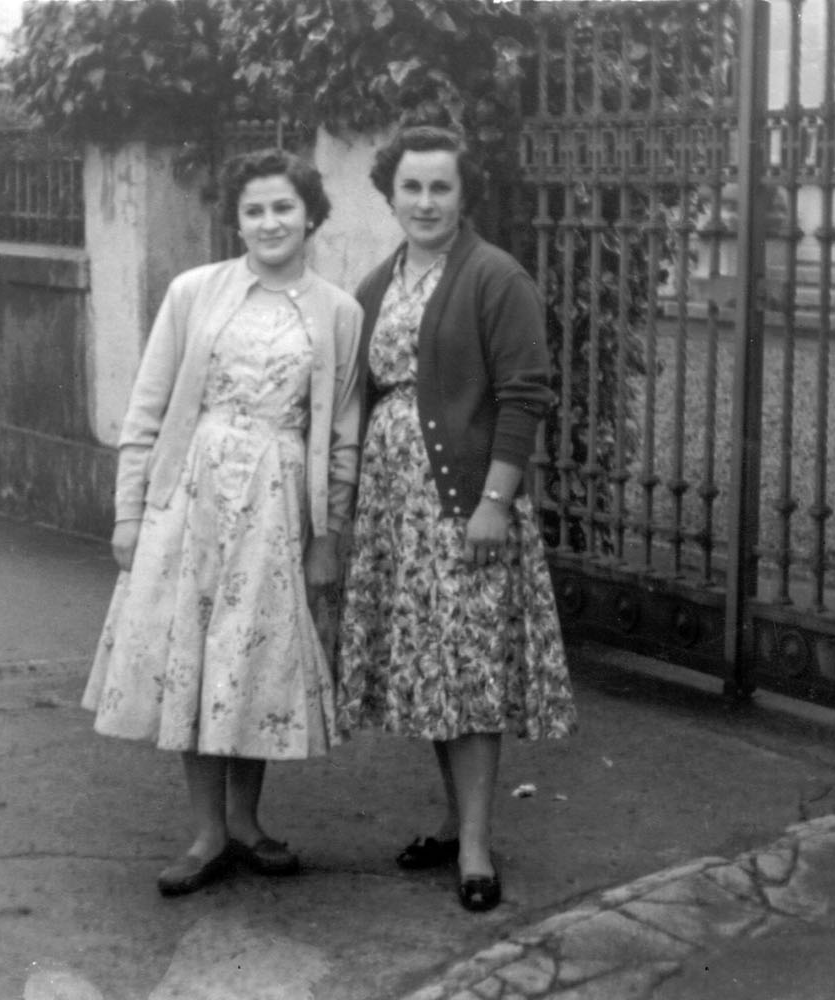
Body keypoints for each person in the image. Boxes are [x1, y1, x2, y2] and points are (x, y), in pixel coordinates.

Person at [82, 149, 363, 897]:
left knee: (253, 656)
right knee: (195, 653)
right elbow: (147, 407)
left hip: (277, 508)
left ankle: (246, 822)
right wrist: (130, 513)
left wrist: (328, 535)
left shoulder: (338, 311)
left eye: (283, 207)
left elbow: (342, 436)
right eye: (253, 210)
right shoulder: (194, 292)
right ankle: (206, 832)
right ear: (235, 220)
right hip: (192, 500)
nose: (269, 223)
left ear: (310, 215)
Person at [336, 124, 575, 913]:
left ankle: (474, 845)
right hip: (397, 508)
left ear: (463, 193)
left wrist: (493, 504)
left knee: (468, 673)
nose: (425, 201)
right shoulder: (378, 283)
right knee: (433, 671)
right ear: (390, 194)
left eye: (440, 187)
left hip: (463, 502)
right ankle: (450, 821)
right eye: (411, 187)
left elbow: (524, 395)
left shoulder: (495, 276)